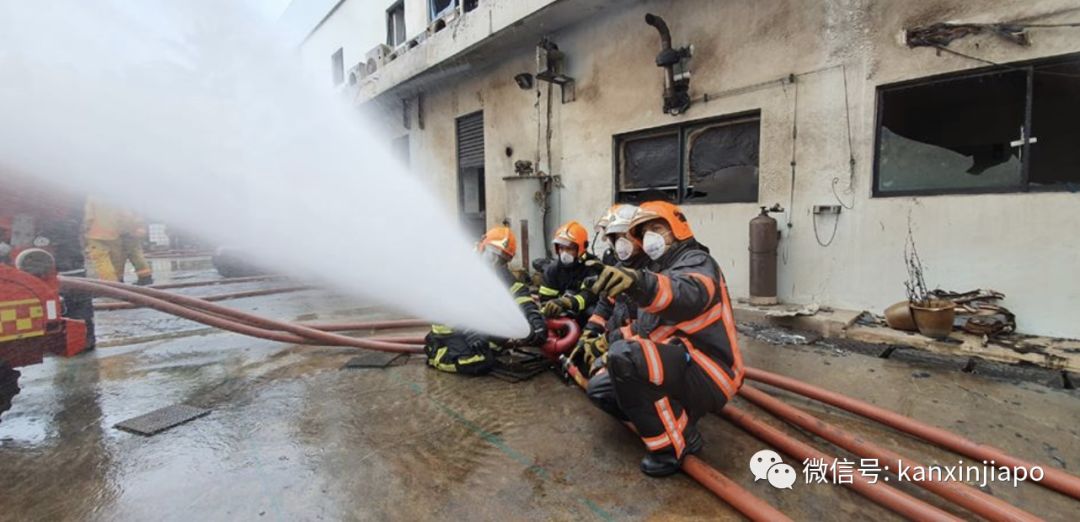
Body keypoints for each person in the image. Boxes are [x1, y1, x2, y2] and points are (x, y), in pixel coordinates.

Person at [587, 201, 744, 477]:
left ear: (677, 228)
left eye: (657, 228)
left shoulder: (697, 261)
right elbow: (646, 330)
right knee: (601, 386)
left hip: (710, 371)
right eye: (644, 232)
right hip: (680, 364)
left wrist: (639, 283)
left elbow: (687, 292)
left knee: (625, 358)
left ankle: (675, 445)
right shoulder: (659, 269)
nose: (650, 238)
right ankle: (680, 418)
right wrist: (604, 346)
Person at [423, 226, 548, 375]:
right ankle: (437, 355)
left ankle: (483, 348)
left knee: (492, 347)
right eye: (492, 255)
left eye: (501, 260)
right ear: (481, 246)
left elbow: (521, 296)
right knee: (479, 361)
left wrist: (536, 321)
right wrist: (471, 331)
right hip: (452, 331)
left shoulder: (501, 275)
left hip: (476, 327)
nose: (494, 262)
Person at [567, 204, 643, 376]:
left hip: (637, 347)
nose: (621, 244)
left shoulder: (653, 272)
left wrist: (605, 342)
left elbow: (646, 326)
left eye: (627, 236)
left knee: (601, 384)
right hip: (618, 341)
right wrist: (588, 335)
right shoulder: (617, 267)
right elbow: (604, 307)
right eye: (616, 238)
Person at [538, 220, 602, 323]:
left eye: (569, 248)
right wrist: (551, 307)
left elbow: (589, 296)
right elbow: (545, 299)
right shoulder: (553, 269)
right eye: (561, 248)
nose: (564, 253)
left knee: (591, 311)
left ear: (582, 247)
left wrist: (566, 302)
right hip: (562, 314)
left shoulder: (592, 266)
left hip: (584, 315)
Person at [118, 210, 153, 285]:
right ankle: (146, 277)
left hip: (124, 233)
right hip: (131, 232)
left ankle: (118, 280)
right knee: (136, 255)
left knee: (119, 257)